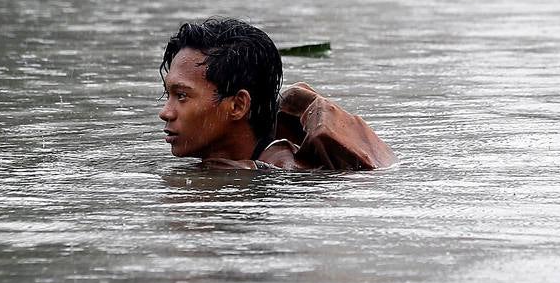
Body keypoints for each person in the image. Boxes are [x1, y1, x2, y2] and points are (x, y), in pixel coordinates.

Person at [158, 18, 396, 171]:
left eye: (182, 96)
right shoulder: (231, 168)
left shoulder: (286, 173)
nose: (165, 112)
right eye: (168, 94)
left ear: (238, 105)